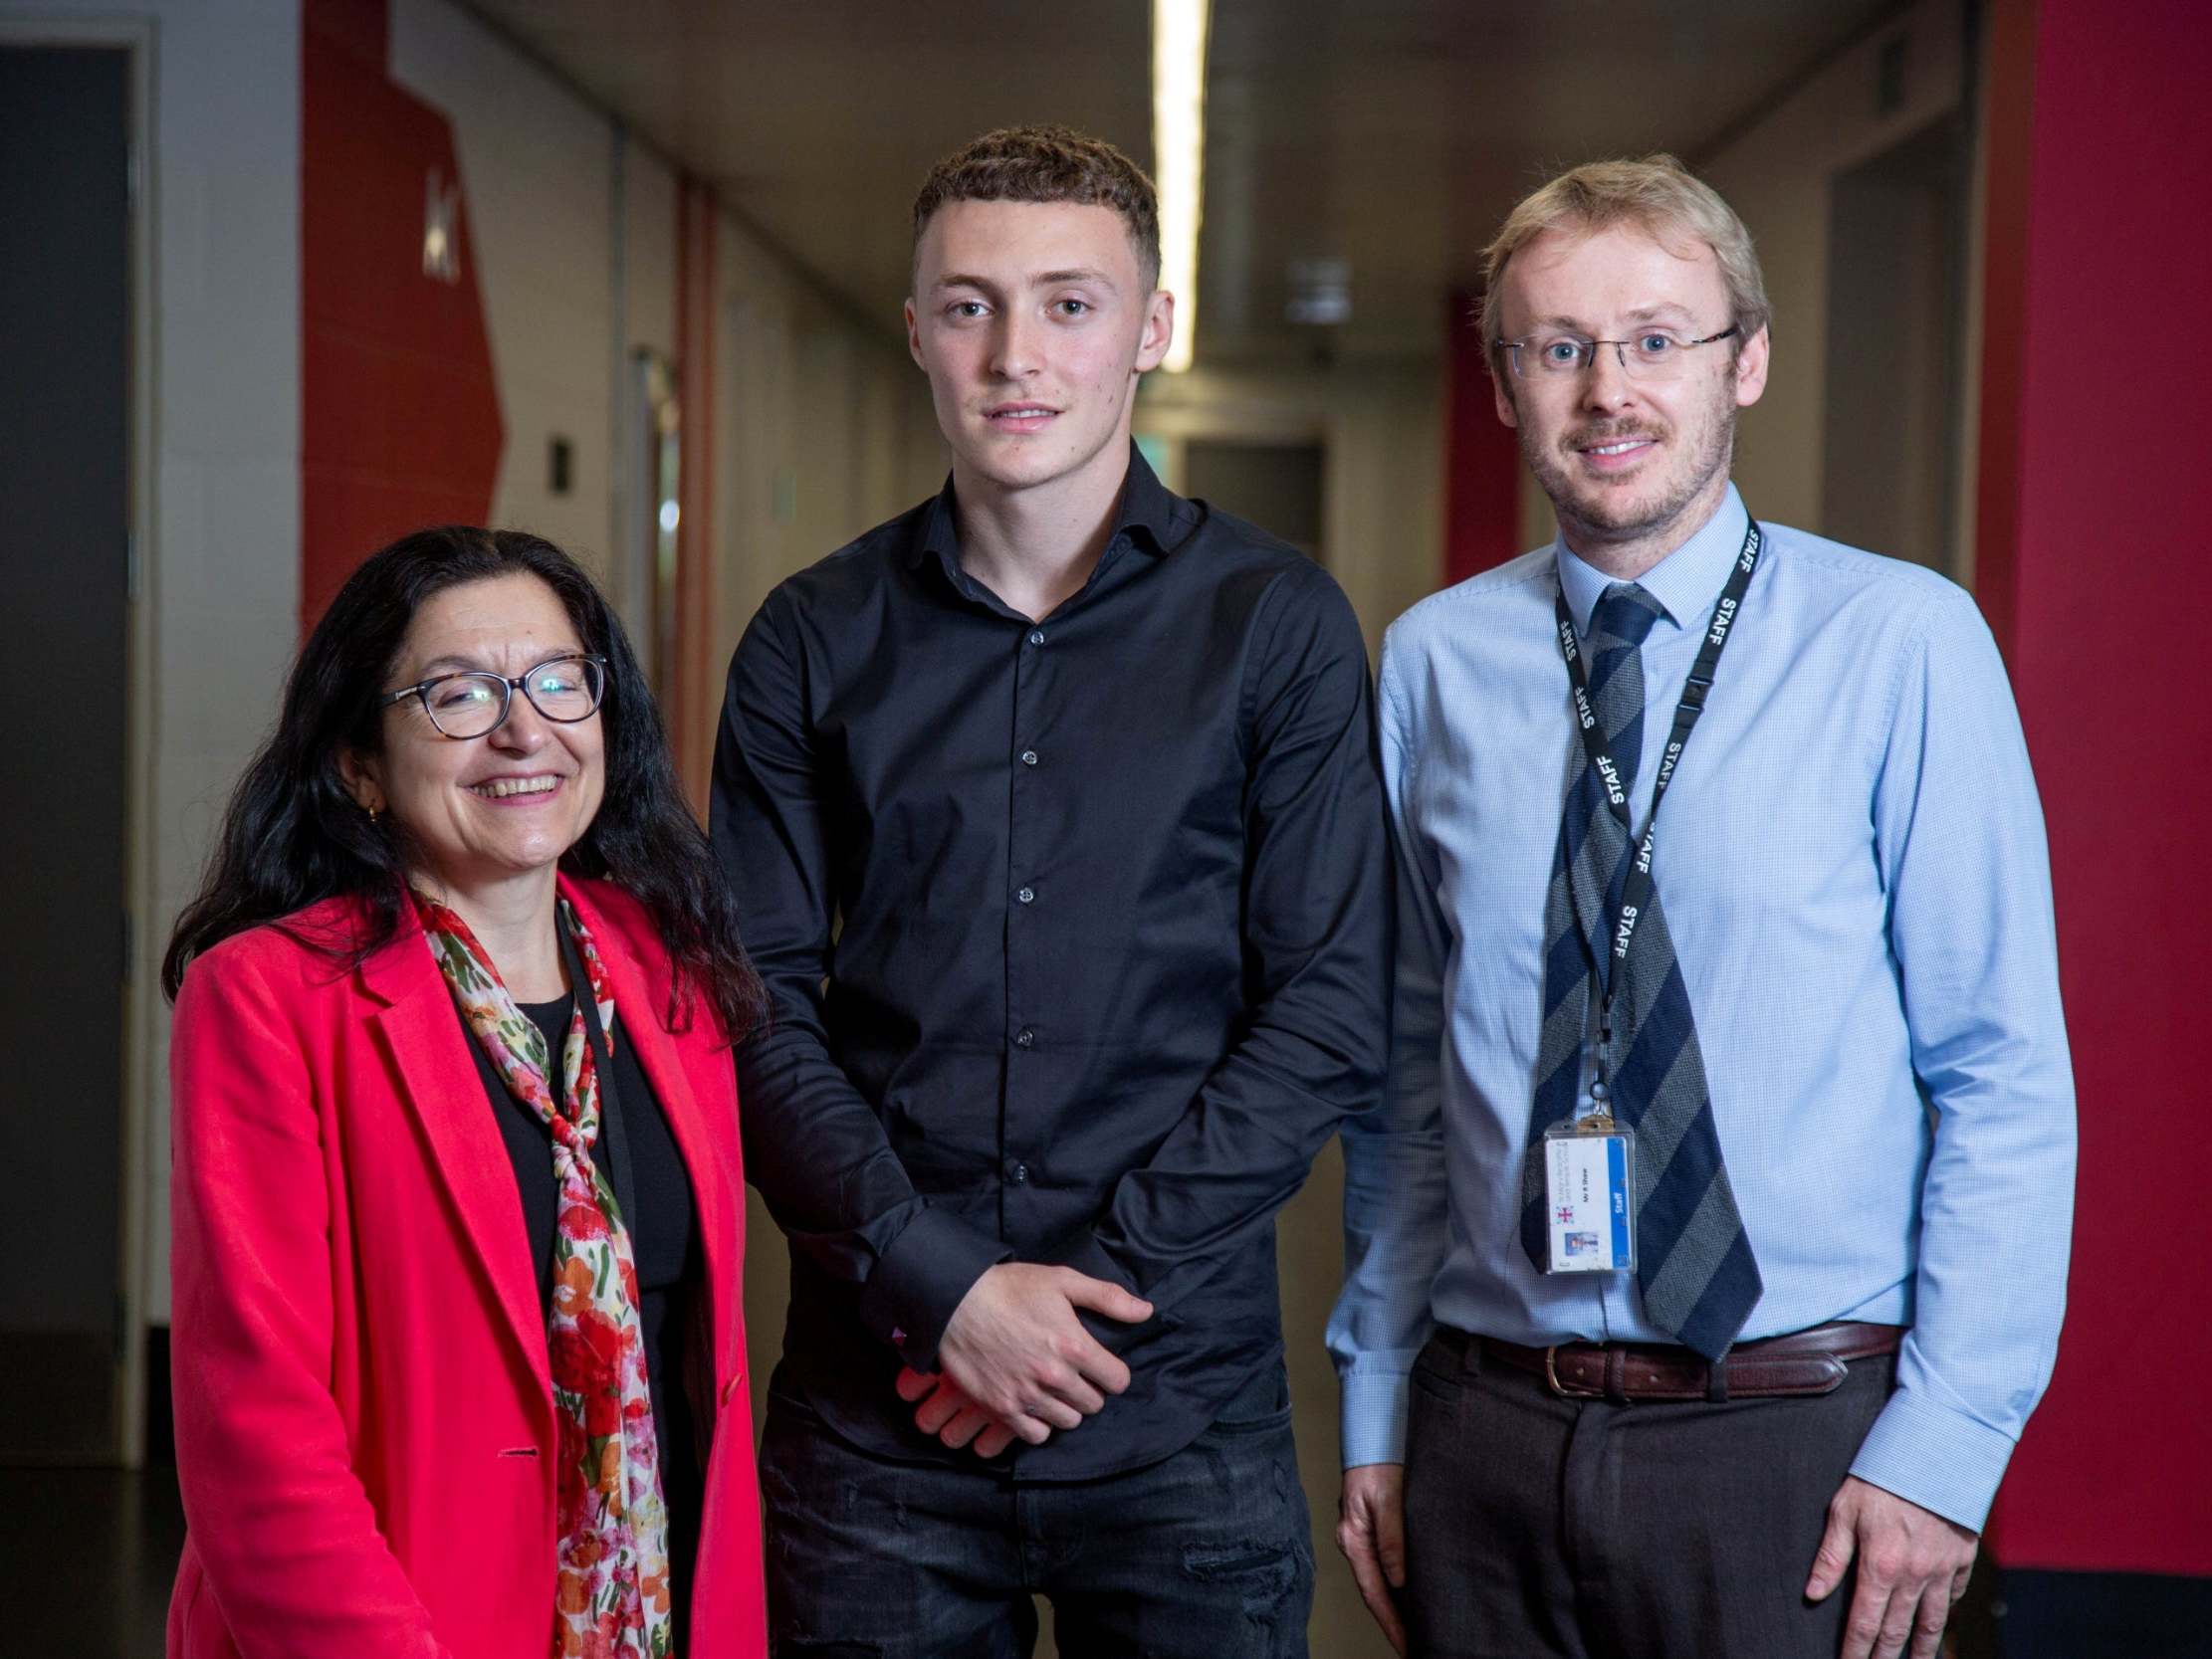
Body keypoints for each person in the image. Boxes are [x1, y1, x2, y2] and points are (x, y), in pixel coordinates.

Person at [1328, 155, 2075, 1659]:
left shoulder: (1899, 644)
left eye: (1656, 338)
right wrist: (1374, 1399)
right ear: (1503, 384)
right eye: (1559, 346)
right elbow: (1403, 1079)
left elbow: (1997, 1073)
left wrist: (1941, 1447)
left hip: (1798, 1445)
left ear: (1745, 361)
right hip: (1486, 1431)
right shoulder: (1427, 663)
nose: (1609, 388)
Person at [711, 125, 1390, 1657]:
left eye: (1070, 304)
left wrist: (1073, 1304)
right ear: (915, 333)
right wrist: (940, 1286)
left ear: (1151, 329)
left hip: (1177, 1419)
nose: (1016, 355)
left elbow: (1329, 1004)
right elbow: (750, 1000)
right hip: (876, 1420)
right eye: (968, 306)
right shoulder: (807, 640)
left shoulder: (1274, 627)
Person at [162, 527, 769, 1658]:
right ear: (359, 762)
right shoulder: (269, 999)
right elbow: (256, 1427)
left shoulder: (668, 970)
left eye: (556, 680)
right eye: (457, 695)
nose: (523, 728)